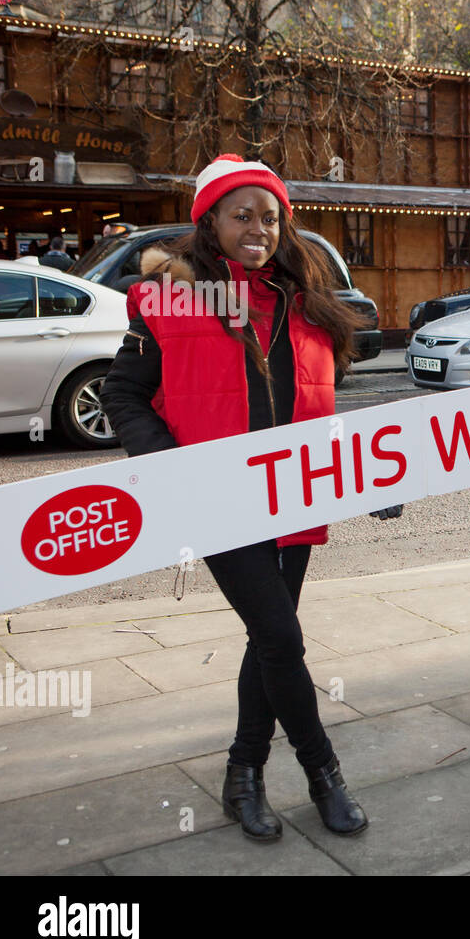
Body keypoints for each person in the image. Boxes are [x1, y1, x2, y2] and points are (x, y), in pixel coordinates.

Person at [101, 154, 383, 841]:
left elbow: (318, 407)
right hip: (218, 499)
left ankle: (243, 773)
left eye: (269, 216)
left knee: (268, 643)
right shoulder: (170, 300)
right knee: (283, 637)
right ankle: (324, 774)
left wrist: (379, 475)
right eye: (241, 214)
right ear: (211, 222)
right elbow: (123, 393)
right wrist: (170, 470)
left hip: (295, 496)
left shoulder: (306, 303)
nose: (257, 227)